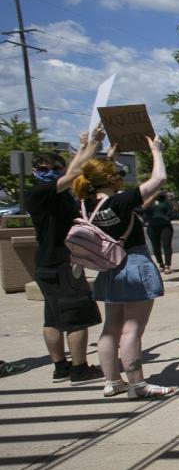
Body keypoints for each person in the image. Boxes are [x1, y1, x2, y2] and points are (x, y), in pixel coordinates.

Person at [74, 136, 171, 400]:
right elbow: (158, 179)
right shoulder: (121, 201)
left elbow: (99, 177)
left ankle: (112, 381)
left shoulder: (85, 204)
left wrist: (108, 157)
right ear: (110, 178)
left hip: (108, 269)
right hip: (132, 265)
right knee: (132, 329)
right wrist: (156, 151)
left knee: (110, 328)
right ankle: (137, 385)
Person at [25, 130, 104, 383]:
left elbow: (70, 172)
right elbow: (73, 174)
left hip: (46, 264)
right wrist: (92, 145)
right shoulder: (41, 192)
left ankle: (60, 367)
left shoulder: (48, 193)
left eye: (55, 167)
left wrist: (82, 147)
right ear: (35, 170)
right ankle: (80, 369)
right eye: (43, 167)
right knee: (76, 318)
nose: (50, 170)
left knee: (53, 318)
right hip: (62, 264)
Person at [141, 191, 175, 274]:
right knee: (155, 246)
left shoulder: (165, 201)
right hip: (152, 226)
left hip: (165, 226)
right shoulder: (149, 201)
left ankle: (167, 265)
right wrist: (151, 198)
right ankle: (161, 264)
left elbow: (171, 210)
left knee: (166, 245)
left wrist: (167, 217)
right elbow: (143, 209)